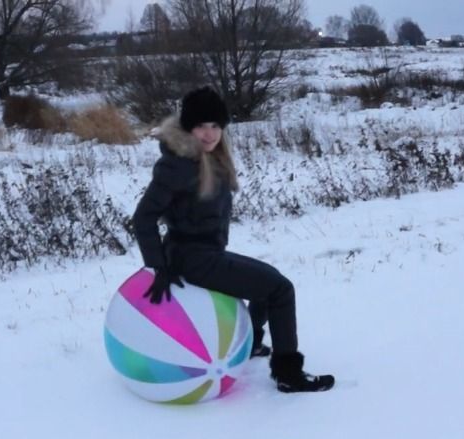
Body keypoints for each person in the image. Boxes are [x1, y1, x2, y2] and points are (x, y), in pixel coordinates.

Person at [132, 86, 334, 393]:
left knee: (270, 285)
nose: (209, 133)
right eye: (201, 125)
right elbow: (143, 217)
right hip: (192, 259)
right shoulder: (178, 165)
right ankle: (288, 374)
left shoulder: (210, 157)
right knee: (280, 289)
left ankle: (248, 343)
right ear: (189, 127)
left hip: (205, 253)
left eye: (215, 125)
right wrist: (157, 268)